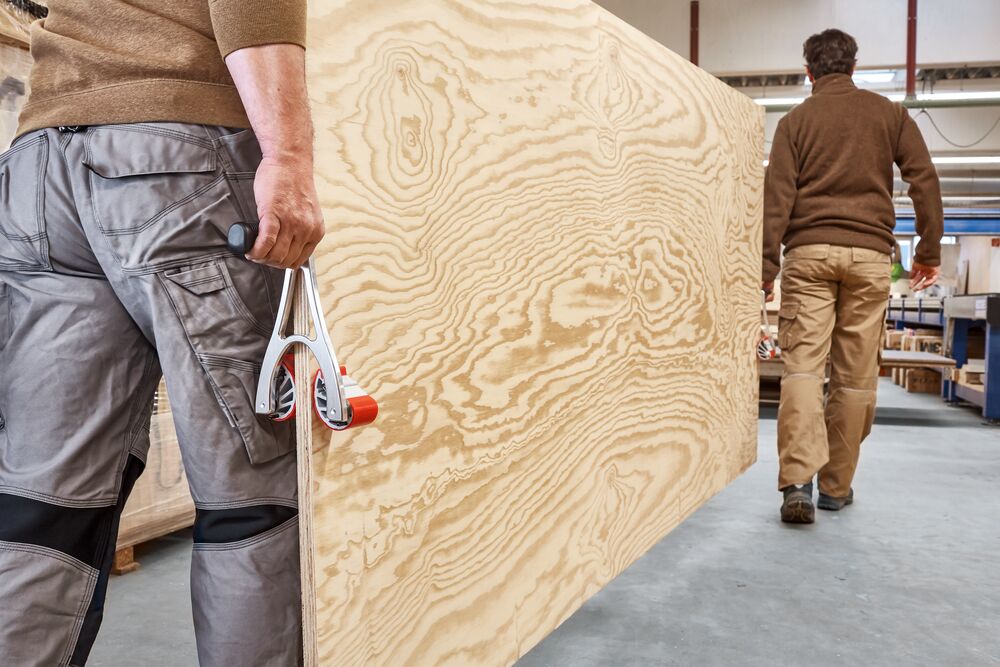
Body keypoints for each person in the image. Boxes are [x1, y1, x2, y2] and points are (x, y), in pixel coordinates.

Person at [0, 1, 323, 664]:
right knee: (252, 498)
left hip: (41, 168)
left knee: (45, 500)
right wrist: (288, 154)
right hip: (176, 156)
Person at [762, 28, 943, 524]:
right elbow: (924, 178)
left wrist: (766, 267)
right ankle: (836, 487)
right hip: (869, 259)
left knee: (803, 370)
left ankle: (797, 484)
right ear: (854, 68)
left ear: (808, 72)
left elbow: (776, 199)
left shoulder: (795, 122)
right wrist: (928, 251)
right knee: (855, 378)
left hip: (808, 255)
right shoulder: (890, 115)